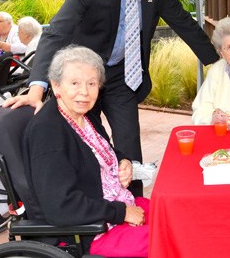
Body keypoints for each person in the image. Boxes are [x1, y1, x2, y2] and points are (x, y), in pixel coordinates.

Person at [6, 0, 218, 196]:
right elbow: (57, 31)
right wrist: (36, 87)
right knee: (90, 143)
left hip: (122, 76)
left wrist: (218, 63)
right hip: (84, 78)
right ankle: (97, 203)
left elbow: (185, 25)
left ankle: (136, 204)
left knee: (129, 145)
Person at [24, 46, 148, 257]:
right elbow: (61, 206)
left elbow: (100, 150)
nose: (84, 92)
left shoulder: (84, 115)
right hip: (91, 232)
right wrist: (122, 212)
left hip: (116, 206)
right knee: (169, 241)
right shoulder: (48, 132)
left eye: (91, 84)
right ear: (56, 86)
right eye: (75, 83)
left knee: (176, 215)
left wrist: (123, 161)